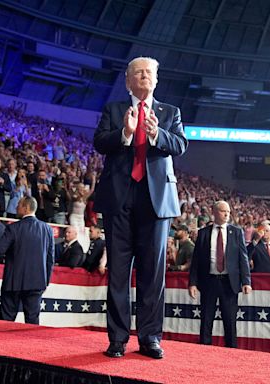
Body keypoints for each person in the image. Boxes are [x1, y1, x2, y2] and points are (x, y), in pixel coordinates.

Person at [93, 56, 188, 359]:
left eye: (149, 73)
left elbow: (181, 145)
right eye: (139, 72)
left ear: (156, 79)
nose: (144, 76)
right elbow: (99, 142)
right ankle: (118, 338)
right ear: (128, 80)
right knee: (119, 272)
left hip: (156, 200)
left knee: (153, 273)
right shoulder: (114, 110)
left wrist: (158, 133)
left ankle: (150, 338)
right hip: (118, 199)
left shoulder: (170, 112)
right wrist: (126, 133)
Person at [188, 201, 252, 348]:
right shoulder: (203, 233)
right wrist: (192, 283)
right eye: (223, 211)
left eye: (228, 212)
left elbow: (243, 258)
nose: (226, 214)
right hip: (208, 281)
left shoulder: (236, 232)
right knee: (206, 320)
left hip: (229, 283)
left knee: (230, 321)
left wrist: (246, 281)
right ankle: (204, 350)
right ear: (215, 212)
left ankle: (231, 351)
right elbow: (196, 260)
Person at [0, 196, 55, 324]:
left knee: (6, 323)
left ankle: (3, 344)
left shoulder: (13, 228)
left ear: (26, 208)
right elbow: (50, 259)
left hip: (13, 280)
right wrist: (46, 281)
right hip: (37, 281)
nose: (16, 207)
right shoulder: (47, 229)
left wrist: (11, 259)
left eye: (18, 205)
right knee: (32, 323)